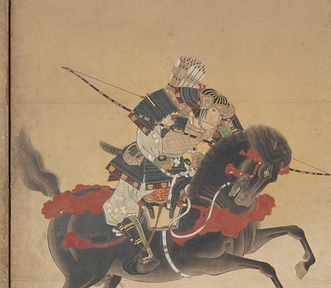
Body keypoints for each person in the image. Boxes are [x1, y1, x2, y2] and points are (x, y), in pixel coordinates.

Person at [104, 56, 243, 274]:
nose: (216, 120)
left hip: (177, 164)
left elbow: (229, 138)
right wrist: (159, 156)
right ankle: (145, 253)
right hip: (143, 160)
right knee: (119, 205)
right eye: (214, 112)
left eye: (219, 116)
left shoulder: (206, 128)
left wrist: (198, 157)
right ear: (204, 108)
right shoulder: (174, 117)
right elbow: (146, 136)